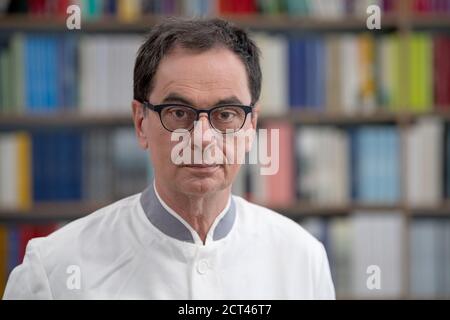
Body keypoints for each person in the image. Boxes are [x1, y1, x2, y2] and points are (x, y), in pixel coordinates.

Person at [3, 17, 335, 299]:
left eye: (226, 114)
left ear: (251, 126)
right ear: (140, 122)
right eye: (178, 112)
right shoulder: (52, 269)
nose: (203, 138)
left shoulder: (302, 258)